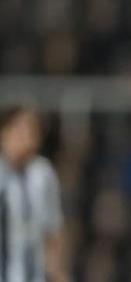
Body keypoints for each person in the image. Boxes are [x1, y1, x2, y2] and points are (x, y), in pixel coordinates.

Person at [0, 107, 68, 282]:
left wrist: (58, 273)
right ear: (4, 133)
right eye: (19, 129)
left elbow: (53, 230)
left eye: (30, 130)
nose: (24, 137)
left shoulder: (43, 175)